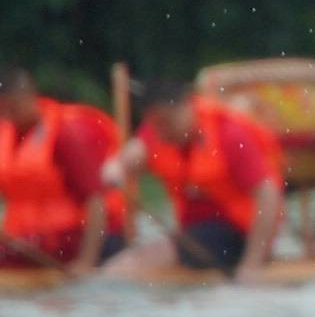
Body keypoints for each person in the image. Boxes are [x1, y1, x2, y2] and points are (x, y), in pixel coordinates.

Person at [107, 79, 287, 277]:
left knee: (129, 266)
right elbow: (136, 152)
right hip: (197, 234)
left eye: (167, 122)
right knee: (129, 263)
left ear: (187, 105)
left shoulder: (229, 134)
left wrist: (252, 265)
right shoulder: (158, 130)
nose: (162, 131)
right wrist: (117, 167)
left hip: (238, 235)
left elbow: (268, 195)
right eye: (156, 124)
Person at [0, 67, 126, 273]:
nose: (7, 116)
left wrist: (86, 263)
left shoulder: (66, 135)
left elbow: (96, 202)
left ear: (29, 96)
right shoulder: (5, 134)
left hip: (72, 238)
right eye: (1, 110)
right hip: (29, 240)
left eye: (12, 108)